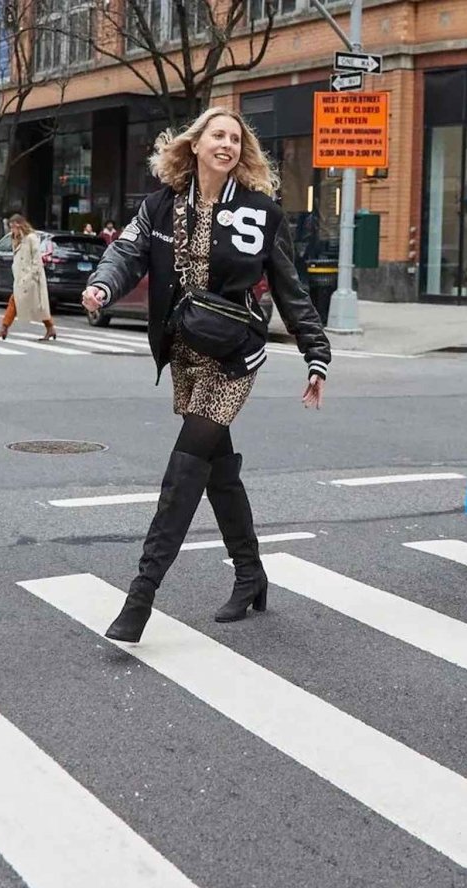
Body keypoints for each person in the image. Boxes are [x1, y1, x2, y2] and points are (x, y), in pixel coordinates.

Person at [82, 106, 332, 643]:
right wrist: (102, 287)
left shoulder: (260, 212)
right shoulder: (160, 207)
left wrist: (316, 354)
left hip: (235, 357)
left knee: (184, 471)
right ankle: (251, 575)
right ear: (194, 145)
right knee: (218, 470)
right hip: (187, 355)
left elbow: (290, 289)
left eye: (235, 140)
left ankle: (140, 597)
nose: (227, 145)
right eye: (217, 136)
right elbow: (125, 253)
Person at [0, 214, 56, 342]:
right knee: (30, 304)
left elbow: (37, 260)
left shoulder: (31, 238)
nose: (11, 230)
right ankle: (50, 327)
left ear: (19, 225)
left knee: (27, 303)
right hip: (21, 278)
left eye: (13, 227)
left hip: (31, 278)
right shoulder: (16, 238)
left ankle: (4, 328)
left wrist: (30, 276)